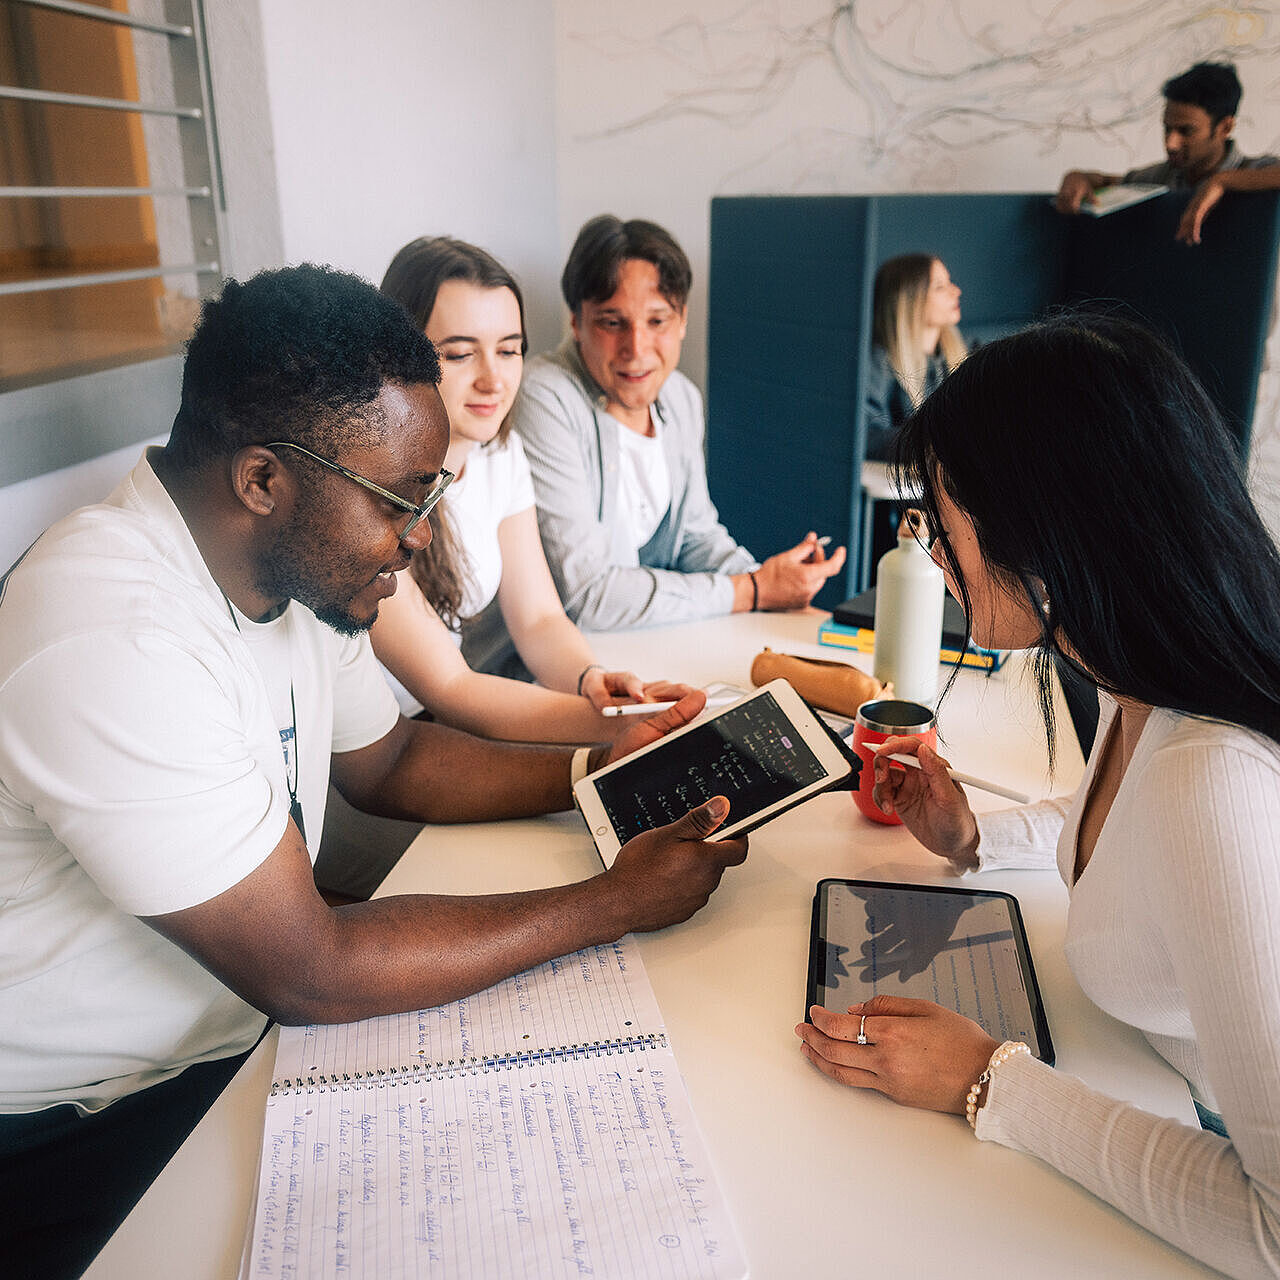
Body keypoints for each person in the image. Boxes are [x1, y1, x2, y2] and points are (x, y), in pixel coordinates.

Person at [0, 264, 748, 1280]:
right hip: (86, 1121)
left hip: (232, 1036)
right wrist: (613, 900)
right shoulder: (108, 629)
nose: (424, 533)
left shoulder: (293, 570)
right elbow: (309, 966)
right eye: (402, 498)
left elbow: (391, 759)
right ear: (264, 480)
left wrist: (598, 763)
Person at [794, 313, 1280, 1278]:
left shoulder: (1212, 783)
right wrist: (976, 837)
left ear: (1045, 522)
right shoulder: (1140, 685)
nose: (933, 553)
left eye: (944, 519)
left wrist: (990, 1084)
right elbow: (1127, 836)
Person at [372, 236, 686, 742]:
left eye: (509, 350)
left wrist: (594, 683)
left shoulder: (498, 452)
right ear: (396, 359)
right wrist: (624, 726)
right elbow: (449, 686)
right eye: (459, 355)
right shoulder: (365, 493)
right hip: (381, 749)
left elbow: (538, 619)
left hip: (441, 724)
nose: (494, 379)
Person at [496, 214, 845, 669]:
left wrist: (773, 583)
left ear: (682, 320)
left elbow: (695, 539)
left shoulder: (680, 398)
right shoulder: (545, 396)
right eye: (612, 322)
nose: (637, 348)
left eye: (657, 320)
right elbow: (587, 596)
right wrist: (752, 590)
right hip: (557, 668)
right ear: (576, 322)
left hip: (649, 647)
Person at [1054, 61, 1280, 245]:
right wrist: (1077, 177)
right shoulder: (1162, 176)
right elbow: (1106, 182)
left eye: (1185, 131)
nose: (1171, 143)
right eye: (1167, 128)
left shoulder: (1256, 171)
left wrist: (1221, 181)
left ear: (1225, 128)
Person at [863, 254, 966, 463]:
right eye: (940, 286)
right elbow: (866, 437)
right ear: (909, 299)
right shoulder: (879, 362)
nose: (956, 291)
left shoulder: (965, 352)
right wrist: (931, 442)